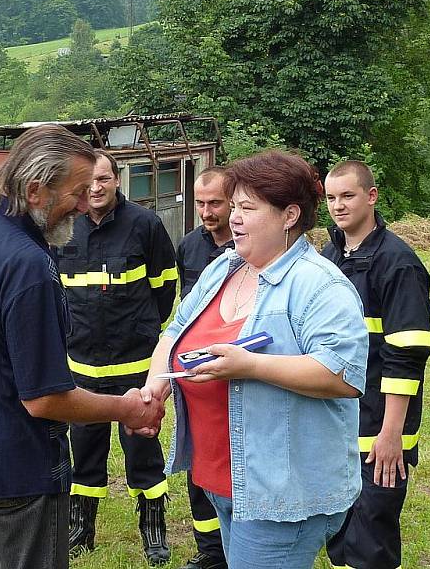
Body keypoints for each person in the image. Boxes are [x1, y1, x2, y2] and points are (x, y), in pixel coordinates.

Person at [0, 125, 164, 569]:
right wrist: (129, 409)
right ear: (35, 190)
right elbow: (45, 398)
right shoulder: (28, 263)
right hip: (18, 470)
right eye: (75, 192)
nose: (82, 203)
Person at [137, 150, 369, 568]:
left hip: (280, 495)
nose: (234, 218)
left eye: (248, 208)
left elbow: (342, 374)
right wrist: (159, 382)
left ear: (289, 215)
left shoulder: (318, 284)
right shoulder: (224, 268)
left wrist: (251, 366)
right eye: (235, 207)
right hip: (223, 480)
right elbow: (175, 331)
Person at [59, 149, 178, 565]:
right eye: (88, 181)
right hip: (81, 367)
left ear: (117, 180)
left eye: (104, 179)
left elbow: (165, 287)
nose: (95, 188)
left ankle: (153, 530)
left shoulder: (145, 225)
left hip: (135, 369)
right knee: (84, 453)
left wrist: (143, 331)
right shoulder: (64, 226)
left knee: (143, 453)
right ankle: (81, 528)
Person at [322, 161, 430, 569]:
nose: (338, 206)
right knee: (340, 536)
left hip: (379, 429)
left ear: (371, 197)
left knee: (371, 540)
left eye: (348, 196)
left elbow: (406, 354)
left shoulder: (398, 263)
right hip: (339, 421)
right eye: (332, 198)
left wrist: (392, 433)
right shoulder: (331, 254)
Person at [175, 167, 232, 569]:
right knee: (199, 465)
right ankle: (210, 552)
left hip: (238, 372)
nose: (206, 212)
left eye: (215, 203)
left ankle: (239, 546)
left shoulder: (254, 248)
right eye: (199, 203)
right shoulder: (189, 247)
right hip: (197, 379)